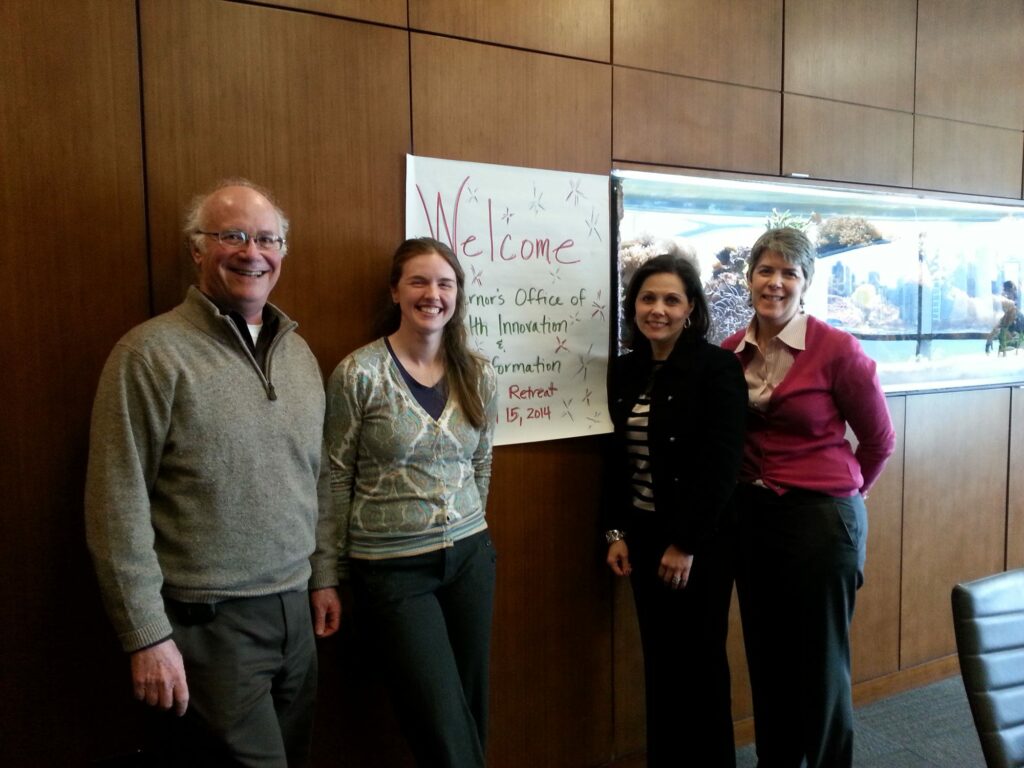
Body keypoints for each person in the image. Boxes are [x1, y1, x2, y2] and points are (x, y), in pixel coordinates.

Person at [85, 180, 341, 767]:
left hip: (296, 615)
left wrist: (323, 574)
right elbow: (114, 503)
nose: (253, 251)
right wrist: (145, 634)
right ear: (197, 249)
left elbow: (317, 475)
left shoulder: (297, 353)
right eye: (233, 235)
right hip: (209, 626)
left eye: (268, 238)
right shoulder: (150, 354)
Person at [721, 227, 896, 768]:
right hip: (753, 521)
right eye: (765, 271)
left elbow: (878, 440)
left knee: (818, 665)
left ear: (806, 283)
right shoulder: (731, 351)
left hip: (821, 523)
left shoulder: (838, 350)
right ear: (749, 279)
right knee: (767, 660)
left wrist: (848, 492)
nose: (775, 282)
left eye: (789, 273)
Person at [325, 237, 498, 767]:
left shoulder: (479, 372)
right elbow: (333, 477)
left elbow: (482, 463)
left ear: (458, 295)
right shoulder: (358, 374)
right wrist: (326, 575)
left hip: (469, 558)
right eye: (419, 281)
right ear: (395, 292)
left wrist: (471, 526)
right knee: (440, 718)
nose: (432, 294)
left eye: (445, 283)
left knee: (469, 707)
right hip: (392, 569)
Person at [604, 250, 747, 767]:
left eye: (671, 299)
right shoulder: (624, 371)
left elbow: (722, 465)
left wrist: (685, 543)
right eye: (647, 298)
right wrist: (615, 532)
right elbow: (615, 461)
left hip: (699, 546)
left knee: (701, 665)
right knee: (660, 663)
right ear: (633, 306)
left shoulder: (717, 368)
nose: (657, 309)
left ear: (691, 308)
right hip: (642, 538)